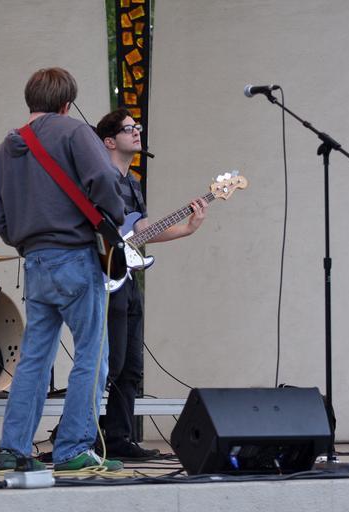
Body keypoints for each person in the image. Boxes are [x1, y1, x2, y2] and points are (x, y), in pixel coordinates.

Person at [0, 68, 126, 472]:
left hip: (35, 262)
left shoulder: (1, 152)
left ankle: (14, 448)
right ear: (67, 103)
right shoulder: (74, 132)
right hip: (76, 258)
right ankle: (72, 449)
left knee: (34, 358)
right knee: (92, 356)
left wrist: (28, 243)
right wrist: (114, 218)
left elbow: (0, 218)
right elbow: (104, 178)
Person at [95, 108, 208, 459]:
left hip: (128, 278)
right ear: (109, 141)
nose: (137, 132)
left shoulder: (132, 182)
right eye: (129, 128)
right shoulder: (98, 178)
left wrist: (187, 228)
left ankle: (119, 439)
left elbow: (141, 230)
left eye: (138, 127)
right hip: (104, 277)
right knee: (109, 364)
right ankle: (85, 435)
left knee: (132, 366)